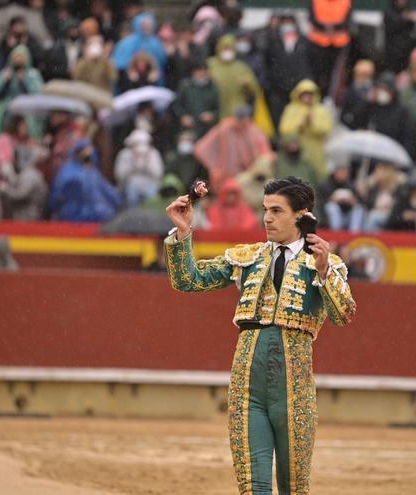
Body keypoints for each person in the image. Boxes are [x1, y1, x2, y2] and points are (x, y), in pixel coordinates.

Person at [164, 176, 356, 495]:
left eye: (277, 211)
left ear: (302, 215)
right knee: (253, 487)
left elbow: (344, 315)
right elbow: (188, 281)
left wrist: (323, 272)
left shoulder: (323, 263)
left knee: (294, 487)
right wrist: (183, 233)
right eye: (265, 209)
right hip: (247, 389)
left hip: (294, 393)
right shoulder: (248, 258)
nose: (267, 218)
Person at [194, 105, 272, 192]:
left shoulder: (252, 129)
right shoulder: (225, 129)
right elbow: (202, 148)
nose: (243, 122)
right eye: (240, 119)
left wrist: (261, 163)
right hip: (225, 173)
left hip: (248, 174)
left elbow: (265, 152)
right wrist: (214, 167)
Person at [208, 35, 273, 136]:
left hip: (236, 108)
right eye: (225, 48)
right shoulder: (211, 65)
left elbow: (255, 89)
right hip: (216, 107)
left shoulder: (241, 67)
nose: (227, 52)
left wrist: (248, 83)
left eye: (230, 48)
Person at [50, 139, 121, 222]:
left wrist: (118, 199)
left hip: (97, 212)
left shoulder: (93, 172)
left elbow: (108, 192)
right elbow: (57, 197)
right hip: (74, 214)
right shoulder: (68, 171)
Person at [263, 12, 313, 125]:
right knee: (277, 119)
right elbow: (266, 63)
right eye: (284, 22)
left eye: (290, 22)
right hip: (277, 89)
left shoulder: (304, 41)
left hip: (299, 89)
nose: (287, 25)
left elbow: (311, 64)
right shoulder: (272, 40)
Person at [278, 79, 334, 178]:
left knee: (317, 173)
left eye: (310, 94)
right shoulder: (291, 109)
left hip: (316, 148)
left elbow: (327, 128)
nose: (307, 97)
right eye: (304, 94)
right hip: (296, 150)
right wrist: (301, 125)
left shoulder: (321, 110)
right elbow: (284, 129)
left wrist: (311, 124)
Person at [0, 45, 44, 141]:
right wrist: (6, 81)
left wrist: (23, 82)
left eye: (22, 57)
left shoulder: (33, 74)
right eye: (16, 57)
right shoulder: (5, 74)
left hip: (27, 112)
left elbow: (38, 96)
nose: (19, 60)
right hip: (7, 111)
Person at [354, 73, 415, 149]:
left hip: (390, 152)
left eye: (386, 89)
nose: (382, 92)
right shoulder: (370, 107)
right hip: (368, 150)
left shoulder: (402, 112)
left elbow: (407, 137)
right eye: (380, 88)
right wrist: (367, 102)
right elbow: (355, 122)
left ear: (393, 92)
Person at [307, 0, 352, 94]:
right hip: (318, 42)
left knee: (336, 74)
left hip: (339, 44)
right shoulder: (315, 1)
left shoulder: (345, 1)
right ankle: (318, 95)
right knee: (317, 72)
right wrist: (324, 27)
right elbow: (311, 18)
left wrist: (334, 27)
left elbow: (348, 21)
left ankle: (331, 97)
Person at [114, 129, 165, 208]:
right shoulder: (124, 154)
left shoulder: (153, 154)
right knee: (132, 193)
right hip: (130, 185)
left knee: (152, 195)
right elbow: (119, 176)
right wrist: (132, 164)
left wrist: (148, 163)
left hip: (150, 183)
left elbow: (158, 174)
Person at [112, 12, 167, 81]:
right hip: (131, 82)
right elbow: (118, 64)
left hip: (153, 81)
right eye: (145, 25)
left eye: (150, 24)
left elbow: (162, 62)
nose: (148, 27)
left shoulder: (156, 43)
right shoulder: (127, 43)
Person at [172, 60, 219, 139]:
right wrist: (183, 116)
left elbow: (218, 108)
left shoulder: (213, 88)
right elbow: (177, 105)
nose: (202, 73)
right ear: (193, 72)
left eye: (205, 70)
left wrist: (212, 115)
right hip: (189, 128)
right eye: (199, 71)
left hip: (207, 129)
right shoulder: (185, 86)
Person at [319, 163, 366, 232]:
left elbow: (361, 202)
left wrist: (354, 200)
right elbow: (321, 203)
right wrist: (333, 200)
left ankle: (353, 234)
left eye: (345, 173)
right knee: (332, 207)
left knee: (359, 209)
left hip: (348, 216)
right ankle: (336, 233)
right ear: (335, 172)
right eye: (341, 172)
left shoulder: (351, 186)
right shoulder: (325, 185)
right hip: (330, 218)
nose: (343, 175)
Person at [383, 0, 416, 74]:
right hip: (393, 55)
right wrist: (405, 18)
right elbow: (391, 27)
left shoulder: (408, 11)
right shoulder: (389, 12)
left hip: (407, 53)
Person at [339, 60, 375, 130]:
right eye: (360, 74)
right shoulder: (350, 92)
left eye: (366, 75)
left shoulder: (375, 89)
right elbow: (344, 115)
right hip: (354, 129)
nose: (362, 77)